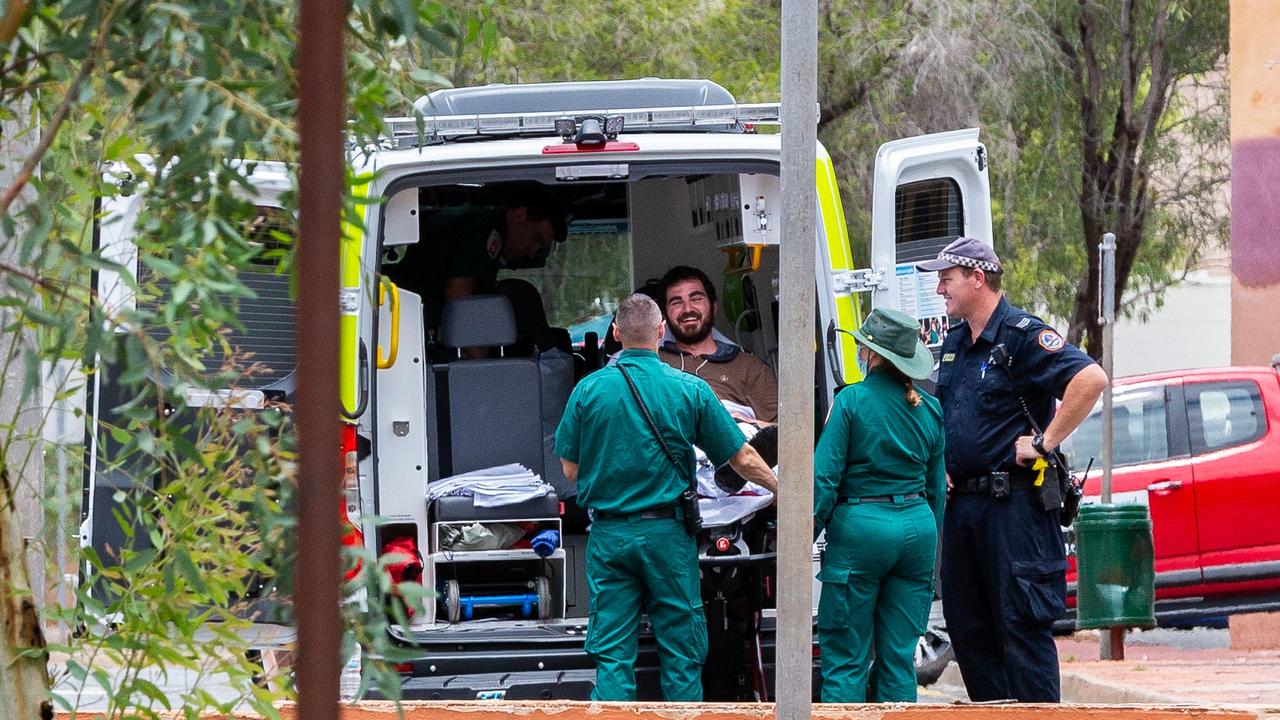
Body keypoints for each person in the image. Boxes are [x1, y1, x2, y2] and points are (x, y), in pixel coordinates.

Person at [554, 293, 778, 701]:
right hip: (667, 538)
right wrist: (782, 490)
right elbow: (742, 456)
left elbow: (570, 469)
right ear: (661, 332)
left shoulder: (588, 390)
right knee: (681, 651)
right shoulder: (689, 389)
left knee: (613, 655)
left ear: (616, 333)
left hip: (610, 538)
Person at [916, 237, 1107, 703]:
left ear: (977, 278)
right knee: (969, 629)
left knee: (1020, 628)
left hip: (1014, 509)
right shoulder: (956, 341)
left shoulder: (1022, 334)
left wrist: (1045, 442)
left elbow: (1090, 379)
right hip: (964, 510)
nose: (940, 287)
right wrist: (938, 461)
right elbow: (947, 413)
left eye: (947, 278)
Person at [813, 307, 946, 703]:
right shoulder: (929, 408)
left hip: (861, 532)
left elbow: (824, 479)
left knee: (846, 660)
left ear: (869, 353)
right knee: (899, 660)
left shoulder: (851, 401)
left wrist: (805, 535)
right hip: (917, 532)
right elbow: (936, 492)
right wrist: (928, 547)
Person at [396, 182, 567, 333]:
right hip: (409, 328)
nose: (532, 252)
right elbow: (459, 296)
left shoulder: (476, 221)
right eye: (536, 239)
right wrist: (480, 358)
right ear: (519, 215)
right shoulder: (484, 227)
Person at [658, 265, 778, 425]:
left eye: (696, 299)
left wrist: (743, 425)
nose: (687, 309)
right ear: (665, 315)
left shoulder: (749, 367)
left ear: (713, 307)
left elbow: (786, 434)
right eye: (676, 302)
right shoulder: (652, 364)